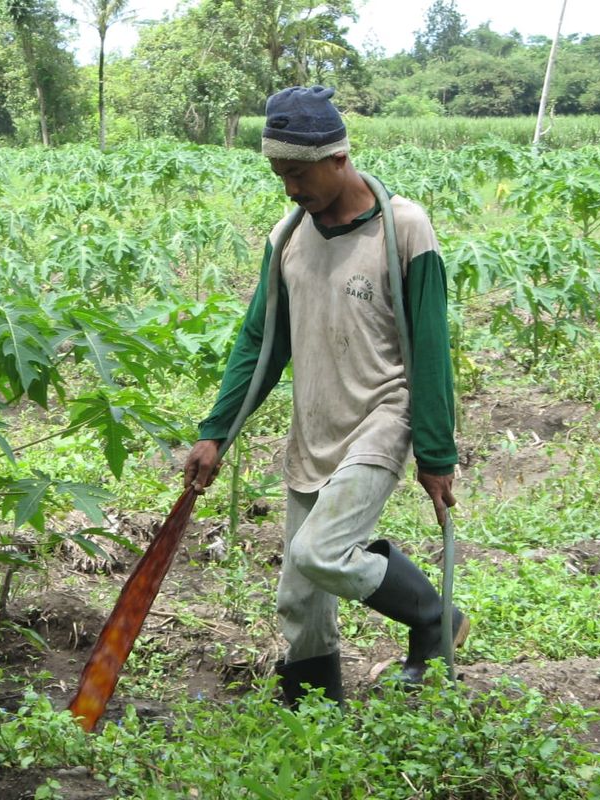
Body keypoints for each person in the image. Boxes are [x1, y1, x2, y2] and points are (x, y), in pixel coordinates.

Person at [183, 86, 469, 706]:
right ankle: (315, 709)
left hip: (382, 413)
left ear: (338, 157)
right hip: (314, 423)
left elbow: (430, 346)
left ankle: (434, 621)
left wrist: (436, 453)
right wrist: (216, 432)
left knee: (321, 551)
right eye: (278, 173)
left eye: (297, 172)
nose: (288, 187)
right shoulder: (287, 236)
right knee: (300, 595)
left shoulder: (405, 228)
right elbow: (262, 341)